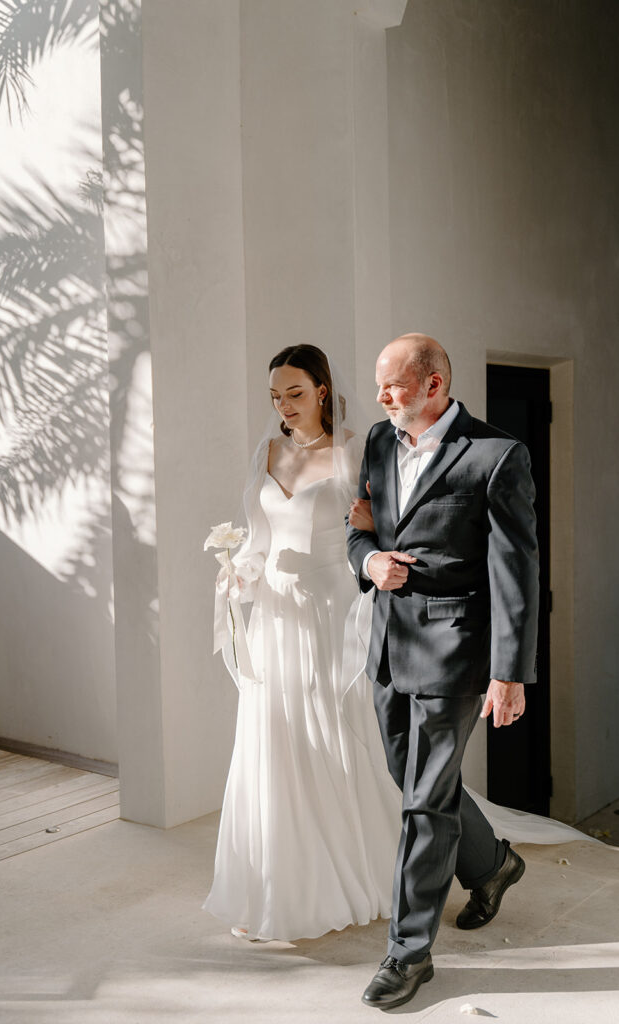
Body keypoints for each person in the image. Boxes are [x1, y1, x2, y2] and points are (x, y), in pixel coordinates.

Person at [347, 333, 540, 1010]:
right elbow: (360, 522)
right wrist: (367, 563)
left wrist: (508, 671)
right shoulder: (378, 439)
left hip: (456, 649)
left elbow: (514, 567)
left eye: (392, 385)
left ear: (433, 384)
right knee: (411, 780)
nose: (380, 397)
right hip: (387, 642)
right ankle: (492, 866)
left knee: (424, 803)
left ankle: (408, 954)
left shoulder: (495, 455)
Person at [203, 344, 401, 942]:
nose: (284, 406)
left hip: (328, 611)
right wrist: (239, 571)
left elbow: (375, 527)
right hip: (273, 614)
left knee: (331, 735)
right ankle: (275, 886)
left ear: (321, 389)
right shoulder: (267, 452)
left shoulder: (354, 452)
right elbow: (258, 540)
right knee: (273, 740)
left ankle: (360, 873)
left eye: (294, 392)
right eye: (274, 397)